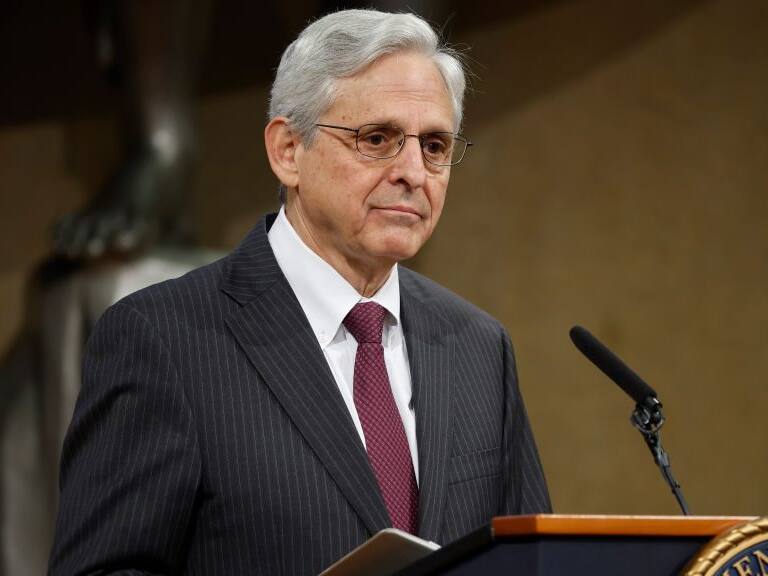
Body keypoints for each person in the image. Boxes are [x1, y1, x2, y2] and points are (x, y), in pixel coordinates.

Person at [49, 9, 551, 575]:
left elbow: (529, 560)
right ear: (288, 150)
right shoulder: (162, 339)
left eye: (434, 145)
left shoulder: (480, 346)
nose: (414, 171)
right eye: (378, 139)